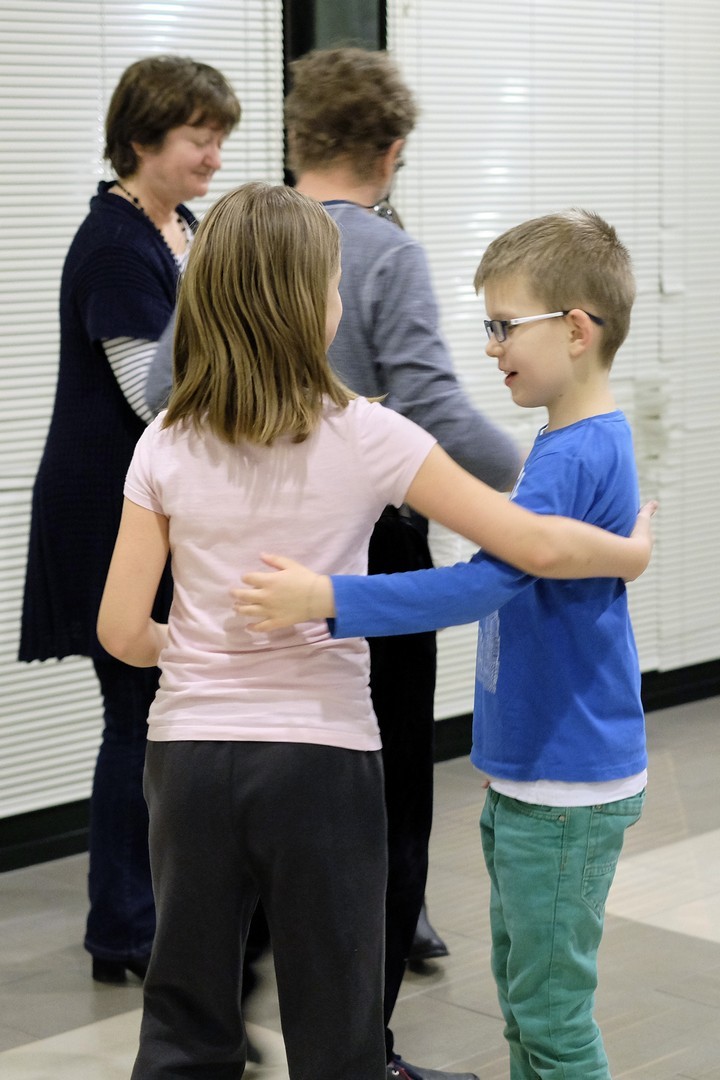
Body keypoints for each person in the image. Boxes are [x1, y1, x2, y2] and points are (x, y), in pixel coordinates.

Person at [234, 209, 653, 1080]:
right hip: (540, 776)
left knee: (551, 1021)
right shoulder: (567, 443)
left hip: (565, 787)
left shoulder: (575, 455)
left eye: (505, 326)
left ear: (576, 330)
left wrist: (328, 598)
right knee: (529, 1005)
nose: (492, 347)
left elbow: (482, 584)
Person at [18, 54, 240, 985]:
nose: (215, 155)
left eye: (220, 137)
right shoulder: (114, 242)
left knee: (151, 714)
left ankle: (152, 914)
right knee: (135, 717)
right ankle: (124, 929)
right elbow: (156, 396)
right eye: (199, 138)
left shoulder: (178, 226)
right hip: (104, 513)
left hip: (144, 507)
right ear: (143, 139)